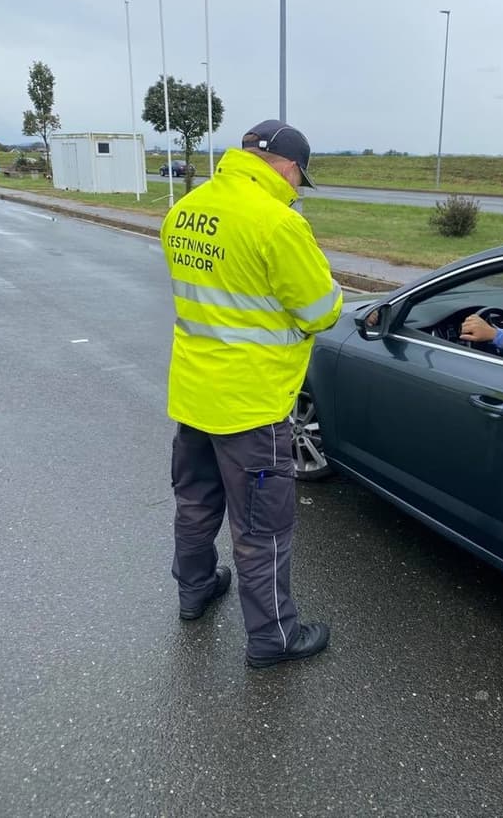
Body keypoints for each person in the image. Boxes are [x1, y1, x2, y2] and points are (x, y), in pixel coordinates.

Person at [160, 119, 343, 668]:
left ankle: (194, 591)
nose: (297, 188)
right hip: (251, 406)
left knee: (195, 503)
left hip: (194, 394)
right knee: (263, 528)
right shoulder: (278, 223)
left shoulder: (185, 209)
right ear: (287, 166)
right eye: (299, 178)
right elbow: (321, 310)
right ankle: (273, 637)